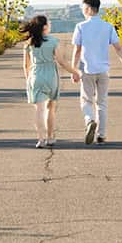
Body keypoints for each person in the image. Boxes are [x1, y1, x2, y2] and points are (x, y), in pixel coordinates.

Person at [71, 0, 122, 145]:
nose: (82, 11)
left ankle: (89, 120)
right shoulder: (108, 26)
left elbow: (77, 50)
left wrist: (73, 70)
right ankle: (101, 135)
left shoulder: (81, 27)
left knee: (86, 100)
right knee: (102, 103)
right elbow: (118, 48)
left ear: (88, 9)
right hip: (103, 70)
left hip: (87, 69)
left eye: (83, 9)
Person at [22, 15, 80, 148]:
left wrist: (28, 80)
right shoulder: (53, 41)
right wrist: (76, 72)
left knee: (39, 110)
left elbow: (26, 65)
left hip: (35, 75)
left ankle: (40, 139)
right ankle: (50, 137)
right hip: (51, 76)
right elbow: (62, 62)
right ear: (45, 27)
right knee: (51, 108)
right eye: (49, 23)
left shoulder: (29, 43)